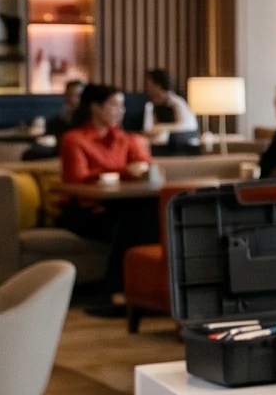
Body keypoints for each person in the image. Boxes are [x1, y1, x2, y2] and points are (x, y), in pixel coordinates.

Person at [56, 83, 164, 277]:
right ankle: (120, 286)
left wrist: (141, 153)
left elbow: (148, 171)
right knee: (133, 220)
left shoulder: (126, 139)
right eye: (114, 105)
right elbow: (76, 179)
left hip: (121, 206)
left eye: (122, 106)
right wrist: (124, 172)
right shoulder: (74, 139)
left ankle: (141, 287)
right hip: (83, 210)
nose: (120, 111)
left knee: (151, 213)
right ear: (95, 107)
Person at [136, 68, 199, 150]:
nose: (147, 88)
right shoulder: (151, 105)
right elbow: (148, 128)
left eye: (149, 85)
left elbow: (187, 126)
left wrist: (159, 129)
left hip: (182, 144)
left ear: (158, 86)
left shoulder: (176, 103)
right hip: (160, 143)